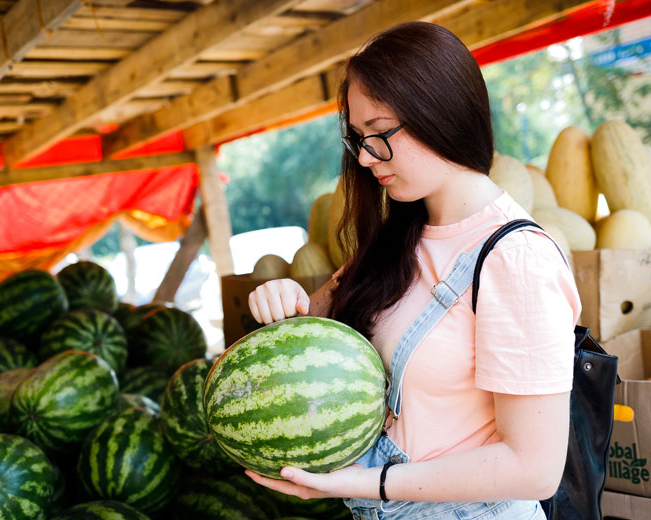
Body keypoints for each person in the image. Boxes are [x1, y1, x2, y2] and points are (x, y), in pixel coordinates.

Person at [245, 21, 581, 520]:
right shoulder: (396, 242)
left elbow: (534, 466)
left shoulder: (517, 259)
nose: (363, 157)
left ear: (440, 113)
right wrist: (281, 298)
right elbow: (309, 344)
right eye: (358, 137)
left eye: (380, 134)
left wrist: (368, 482)